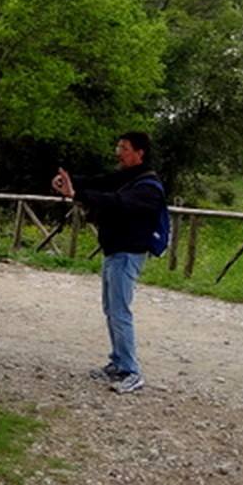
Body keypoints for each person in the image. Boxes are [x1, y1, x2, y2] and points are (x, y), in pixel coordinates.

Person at [51, 131, 166, 394]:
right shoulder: (127, 177)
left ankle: (131, 371)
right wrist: (69, 182)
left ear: (139, 153)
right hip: (114, 252)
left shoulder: (148, 188)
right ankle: (118, 362)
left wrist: (77, 193)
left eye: (124, 148)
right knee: (111, 309)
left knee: (120, 312)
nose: (118, 153)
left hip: (128, 255)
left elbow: (117, 202)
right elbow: (99, 182)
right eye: (118, 147)